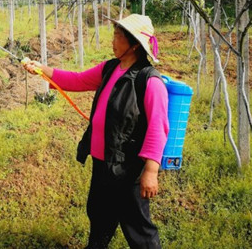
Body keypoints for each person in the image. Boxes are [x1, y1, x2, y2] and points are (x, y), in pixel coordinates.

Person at [23, 14, 169, 249]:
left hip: (128, 168)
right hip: (102, 162)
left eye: (118, 37)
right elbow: (78, 80)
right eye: (113, 35)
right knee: (100, 216)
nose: (113, 41)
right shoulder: (110, 68)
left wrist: (151, 171)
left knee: (137, 227)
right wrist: (43, 70)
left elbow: (158, 127)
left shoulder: (149, 81)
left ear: (134, 45)